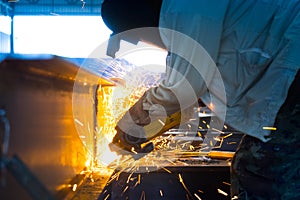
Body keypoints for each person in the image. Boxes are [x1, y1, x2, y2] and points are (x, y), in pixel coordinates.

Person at [101, 0, 300, 199]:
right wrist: (149, 128)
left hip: (294, 73)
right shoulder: (191, 17)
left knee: (259, 170)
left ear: (140, 24)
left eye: (138, 38)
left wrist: (133, 121)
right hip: (289, 72)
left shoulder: (185, 10)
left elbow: (183, 87)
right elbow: (199, 91)